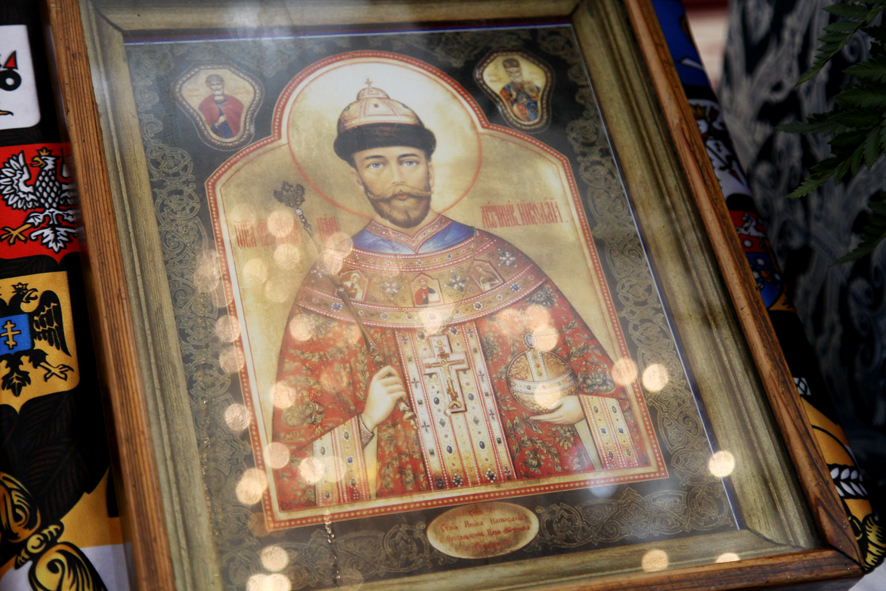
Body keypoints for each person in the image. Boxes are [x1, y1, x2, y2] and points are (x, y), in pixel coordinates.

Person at [271, 82, 644, 510]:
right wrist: (368, 420)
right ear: (357, 177)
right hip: (414, 500)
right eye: (376, 164)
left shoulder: (499, 258)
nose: (397, 179)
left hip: (536, 495)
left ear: (429, 168)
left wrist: (586, 408)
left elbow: (597, 373)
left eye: (409, 161)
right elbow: (298, 441)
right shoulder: (332, 282)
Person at [198, 74, 243, 139]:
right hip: (216, 139)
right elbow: (203, 129)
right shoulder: (205, 103)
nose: (216, 87)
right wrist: (218, 123)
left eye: (218, 84)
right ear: (209, 86)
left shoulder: (233, 101)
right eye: (213, 85)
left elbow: (241, 121)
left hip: (234, 136)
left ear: (223, 84)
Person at [498, 58, 541, 123]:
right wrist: (514, 97)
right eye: (511, 73)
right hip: (522, 117)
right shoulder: (505, 89)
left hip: (535, 113)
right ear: (507, 73)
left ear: (520, 70)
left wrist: (532, 92)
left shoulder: (528, 84)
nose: (515, 75)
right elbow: (507, 108)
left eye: (517, 72)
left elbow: (540, 97)